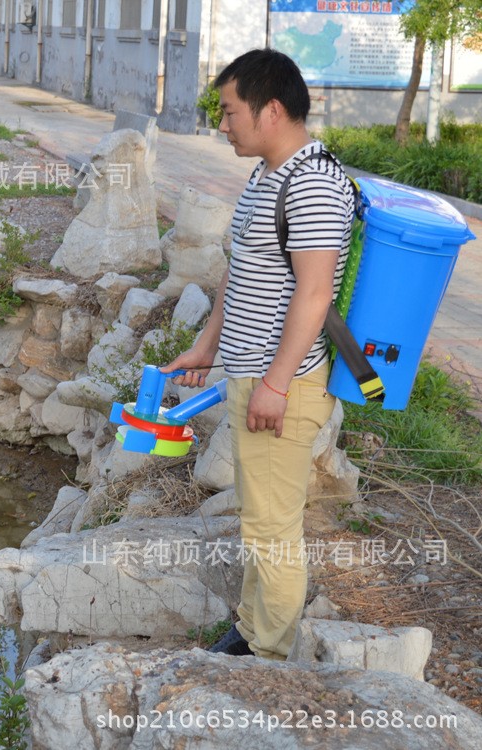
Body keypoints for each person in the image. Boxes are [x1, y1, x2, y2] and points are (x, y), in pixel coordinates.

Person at [161, 48, 355, 660]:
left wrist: (274, 382)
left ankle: (268, 656)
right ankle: (251, 628)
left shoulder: (314, 184)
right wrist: (206, 345)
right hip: (253, 377)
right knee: (259, 517)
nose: (223, 124)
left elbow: (315, 290)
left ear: (271, 109)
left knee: (273, 528)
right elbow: (240, 272)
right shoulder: (266, 176)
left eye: (229, 110)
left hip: (284, 385)